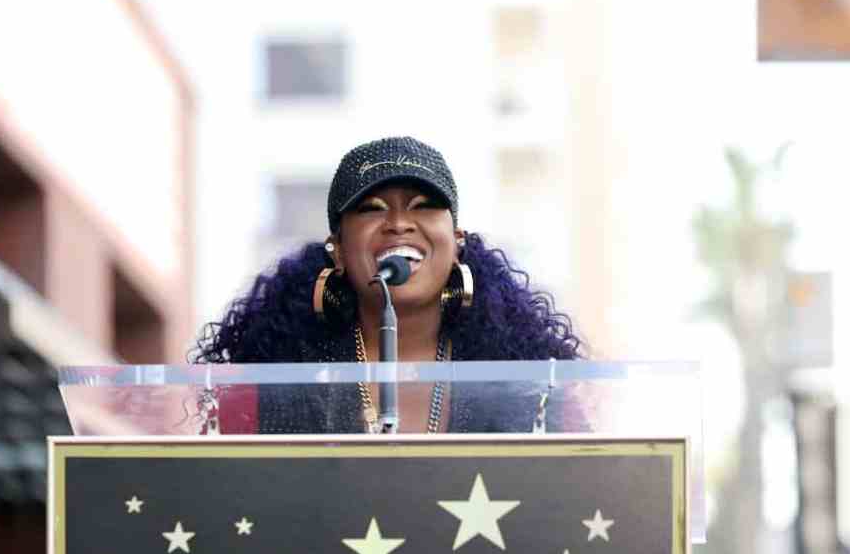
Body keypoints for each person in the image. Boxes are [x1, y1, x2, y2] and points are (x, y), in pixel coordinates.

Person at [192, 136, 583, 434]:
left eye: (424, 206)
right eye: (371, 209)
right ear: (339, 250)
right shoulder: (273, 381)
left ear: (458, 243)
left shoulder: (530, 387)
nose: (398, 223)